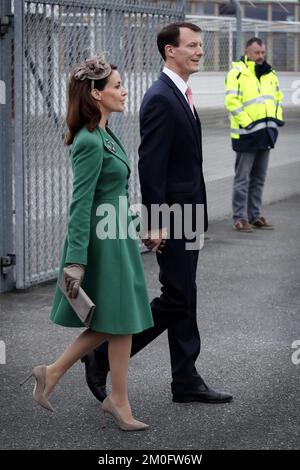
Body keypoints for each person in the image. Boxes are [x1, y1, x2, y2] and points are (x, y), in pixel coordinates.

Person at [82, 23, 233, 404]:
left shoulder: (179, 92)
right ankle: (100, 357)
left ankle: (186, 378)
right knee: (177, 297)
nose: (200, 51)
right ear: (170, 50)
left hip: (189, 213)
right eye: (192, 45)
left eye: (201, 45)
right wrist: (157, 220)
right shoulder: (160, 97)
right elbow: (151, 165)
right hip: (173, 216)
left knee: (186, 295)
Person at [20, 56, 154, 432]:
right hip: (100, 244)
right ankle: (115, 399)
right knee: (120, 320)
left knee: (117, 321)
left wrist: (136, 226)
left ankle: (55, 373)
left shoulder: (106, 134)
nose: (124, 91)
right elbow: (81, 204)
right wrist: (75, 261)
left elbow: (115, 194)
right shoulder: (90, 141)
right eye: (116, 86)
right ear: (96, 94)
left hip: (117, 236)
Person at [225, 37, 284, 232]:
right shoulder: (237, 73)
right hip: (246, 134)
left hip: (266, 134)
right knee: (243, 179)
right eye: (257, 53)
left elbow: (277, 98)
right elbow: (232, 101)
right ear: (247, 52)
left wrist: (276, 122)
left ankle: (255, 215)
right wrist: (248, 123)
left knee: (259, 178)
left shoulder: (270, 74)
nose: (261, 56)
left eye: (263, 53)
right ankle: (240, 217)